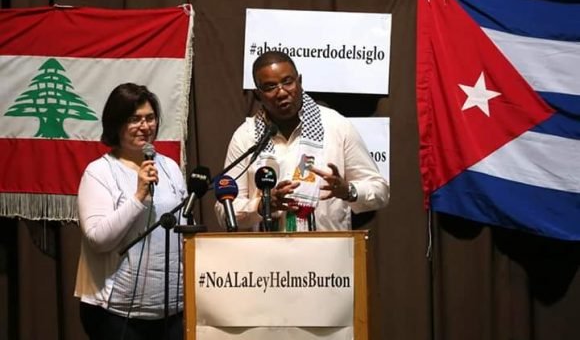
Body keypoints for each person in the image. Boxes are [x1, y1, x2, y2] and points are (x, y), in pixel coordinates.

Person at [215, 51, 389, 231]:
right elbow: (224, 211)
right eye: (270, 86)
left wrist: (348, 191)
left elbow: (380, 191)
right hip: (266, 253)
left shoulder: (336, 126)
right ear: (258, 94)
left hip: (327, 253)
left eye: (287, 81)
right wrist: (263, 205)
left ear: (300, 81)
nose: (281, 92)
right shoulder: (246, 136)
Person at [74, 83, 187, 340]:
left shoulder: (169, 167)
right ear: (116, 125)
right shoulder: (99, 172)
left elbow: (181, 232)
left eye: (149, 118)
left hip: (171, 311)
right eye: (134, 119)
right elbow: (98, 240)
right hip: (115, 314)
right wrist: (138, 196)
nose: (144, 126)